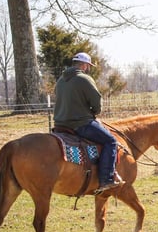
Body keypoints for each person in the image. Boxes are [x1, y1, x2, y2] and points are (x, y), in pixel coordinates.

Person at [53, 52, 124, 194]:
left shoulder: (60, 80)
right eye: (88, 66)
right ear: (84, 65)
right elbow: (96, 103)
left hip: (60, 126)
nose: (88, 68)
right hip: (80, 124)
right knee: (110, 141)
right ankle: (106, 179)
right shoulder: (84, 79)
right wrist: (94, 111)